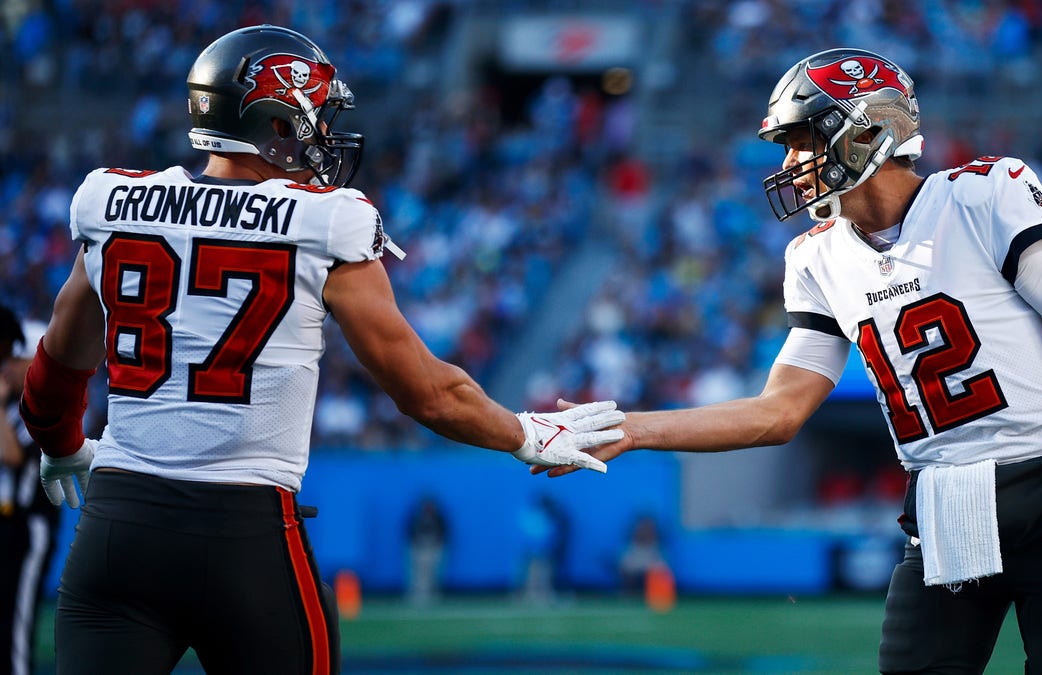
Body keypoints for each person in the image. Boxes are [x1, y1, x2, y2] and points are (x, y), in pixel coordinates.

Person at [19, 25, 624, 675]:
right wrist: (522, 432)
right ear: (272, 120)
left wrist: (59, 444)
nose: (322, 136)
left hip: (117, 529)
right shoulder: (324, 219)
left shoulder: (112, 202)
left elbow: (56, 364)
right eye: (313, 117)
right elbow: (427, 392)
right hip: (244, 535)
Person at [541, 48, 1042, 674]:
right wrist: (634, 429)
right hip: (943, 506)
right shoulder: (816, 259)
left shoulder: (984, 197)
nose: (787, 164)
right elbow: (777, 412)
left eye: (800, 140)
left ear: (865, 129)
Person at [0, 309, 57, 675]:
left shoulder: (41, 404)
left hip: (29, 524)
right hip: (10, 522)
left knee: (15, 625)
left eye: (14, 359)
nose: (6, 367)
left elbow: (13, 454)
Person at [405, 495, 448, 606]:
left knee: (433, 572)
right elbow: (410, 533)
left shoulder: (438, 517)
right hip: (420, 548)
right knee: (419, 573)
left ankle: (433, 593)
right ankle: (419, 595)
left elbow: (443, 533)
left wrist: (436, 544)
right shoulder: (416, 517)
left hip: (433, 548)